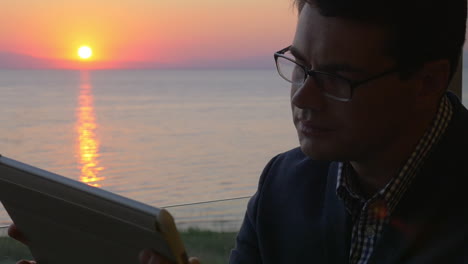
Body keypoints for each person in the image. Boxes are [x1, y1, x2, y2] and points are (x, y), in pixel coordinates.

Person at [10, 0, 468, 263]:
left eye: (336, 78)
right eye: (299, 66)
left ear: (426, 82)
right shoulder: (286, 184)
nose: (302, 98)